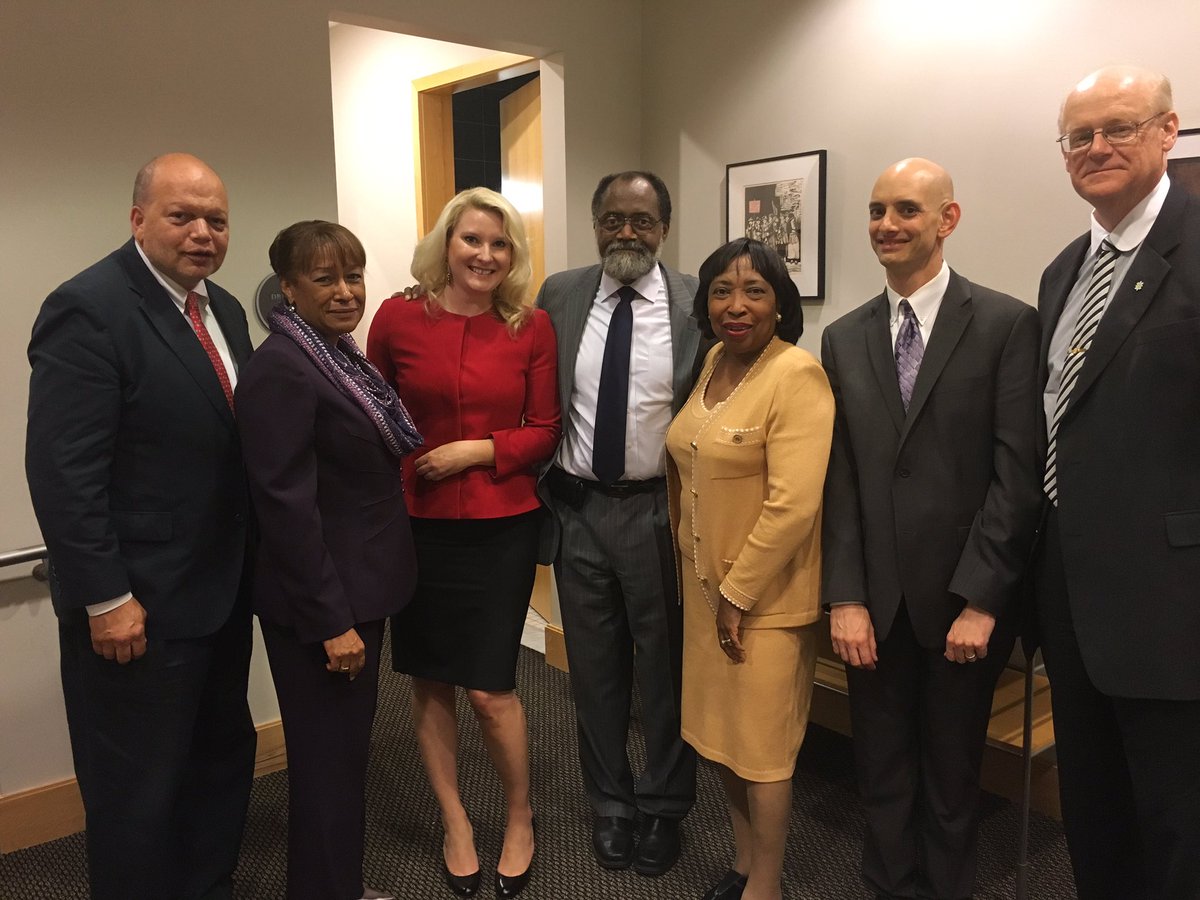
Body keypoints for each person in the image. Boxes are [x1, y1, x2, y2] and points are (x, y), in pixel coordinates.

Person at [25, 153, 257, 900]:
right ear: (138, 220)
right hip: (137, 609)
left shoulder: (219, 307)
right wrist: (104, 597)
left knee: (219, 759)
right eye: (181, 216)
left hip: (218, 592)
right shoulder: (89, 307)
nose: (201, 233)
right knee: (137, 790)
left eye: (215, 220)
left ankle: (206, 886)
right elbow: (64, 473)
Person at [821, 158, 1041, 900]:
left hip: (962, 606)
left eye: (907, 210)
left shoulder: (1008, 324)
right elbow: (841, 477)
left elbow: (1018, 474)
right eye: (878, 210)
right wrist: (844, 595)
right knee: (880, 774)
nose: (888, 225)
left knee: (952, 781)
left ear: (947, 219)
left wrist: (983, 599)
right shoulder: (845, 338)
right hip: (874, 607)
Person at [1034, 65, 1200, 899]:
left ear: (1168, 132)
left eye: (1119, 128)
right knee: (1093, 812)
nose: (1096, 147)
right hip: (1071, 593)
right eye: (1079, 135)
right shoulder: (1063, 270)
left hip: (1174, 600)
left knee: (1179, 823)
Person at [368, 188, 559, 899]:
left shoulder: (530, 326)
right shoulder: (395, 316)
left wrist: (475, 451)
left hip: (502, 526)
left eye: (499, 244)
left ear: (513, 256)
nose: (485, 255)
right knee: (431, 682)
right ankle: (456, 822)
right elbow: (375, 411)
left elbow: (545, 428)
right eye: (472, 239)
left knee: (491, 688)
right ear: (447, 242)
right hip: (414, 525)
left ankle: (519, 817)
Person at [237, 221, 422, 900]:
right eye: (325, 279)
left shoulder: (335, 356)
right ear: (287, 288)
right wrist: (330, 621)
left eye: (354, 275)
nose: (346, 292)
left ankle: (331, 888)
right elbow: (285, 509)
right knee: (325, 767)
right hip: (324, 606)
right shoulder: (283, 370)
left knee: (338, 763)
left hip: (356, 589)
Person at [535, 171, 704, 876]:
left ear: (664, 226)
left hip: (659, 511)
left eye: (640, 220)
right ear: (595, 223)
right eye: (612, 219)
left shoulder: (700, 300)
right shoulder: (560, 294)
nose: (625, 233)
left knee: (666, 671)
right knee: (594, 669)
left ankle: (664, 807)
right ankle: (611, 801)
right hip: (579, 510)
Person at [666, 238, 833, 900]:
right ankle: (741, 864)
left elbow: (793, 506)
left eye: (755, 291)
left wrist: (736, 594)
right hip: (704, 595)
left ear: (779, 304)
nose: (736, 306)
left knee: (763, 755)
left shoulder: (796, 375)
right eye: (721, 292)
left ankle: (765, 885)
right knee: (723, 743)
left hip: (762, 602)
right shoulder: (711, 364)